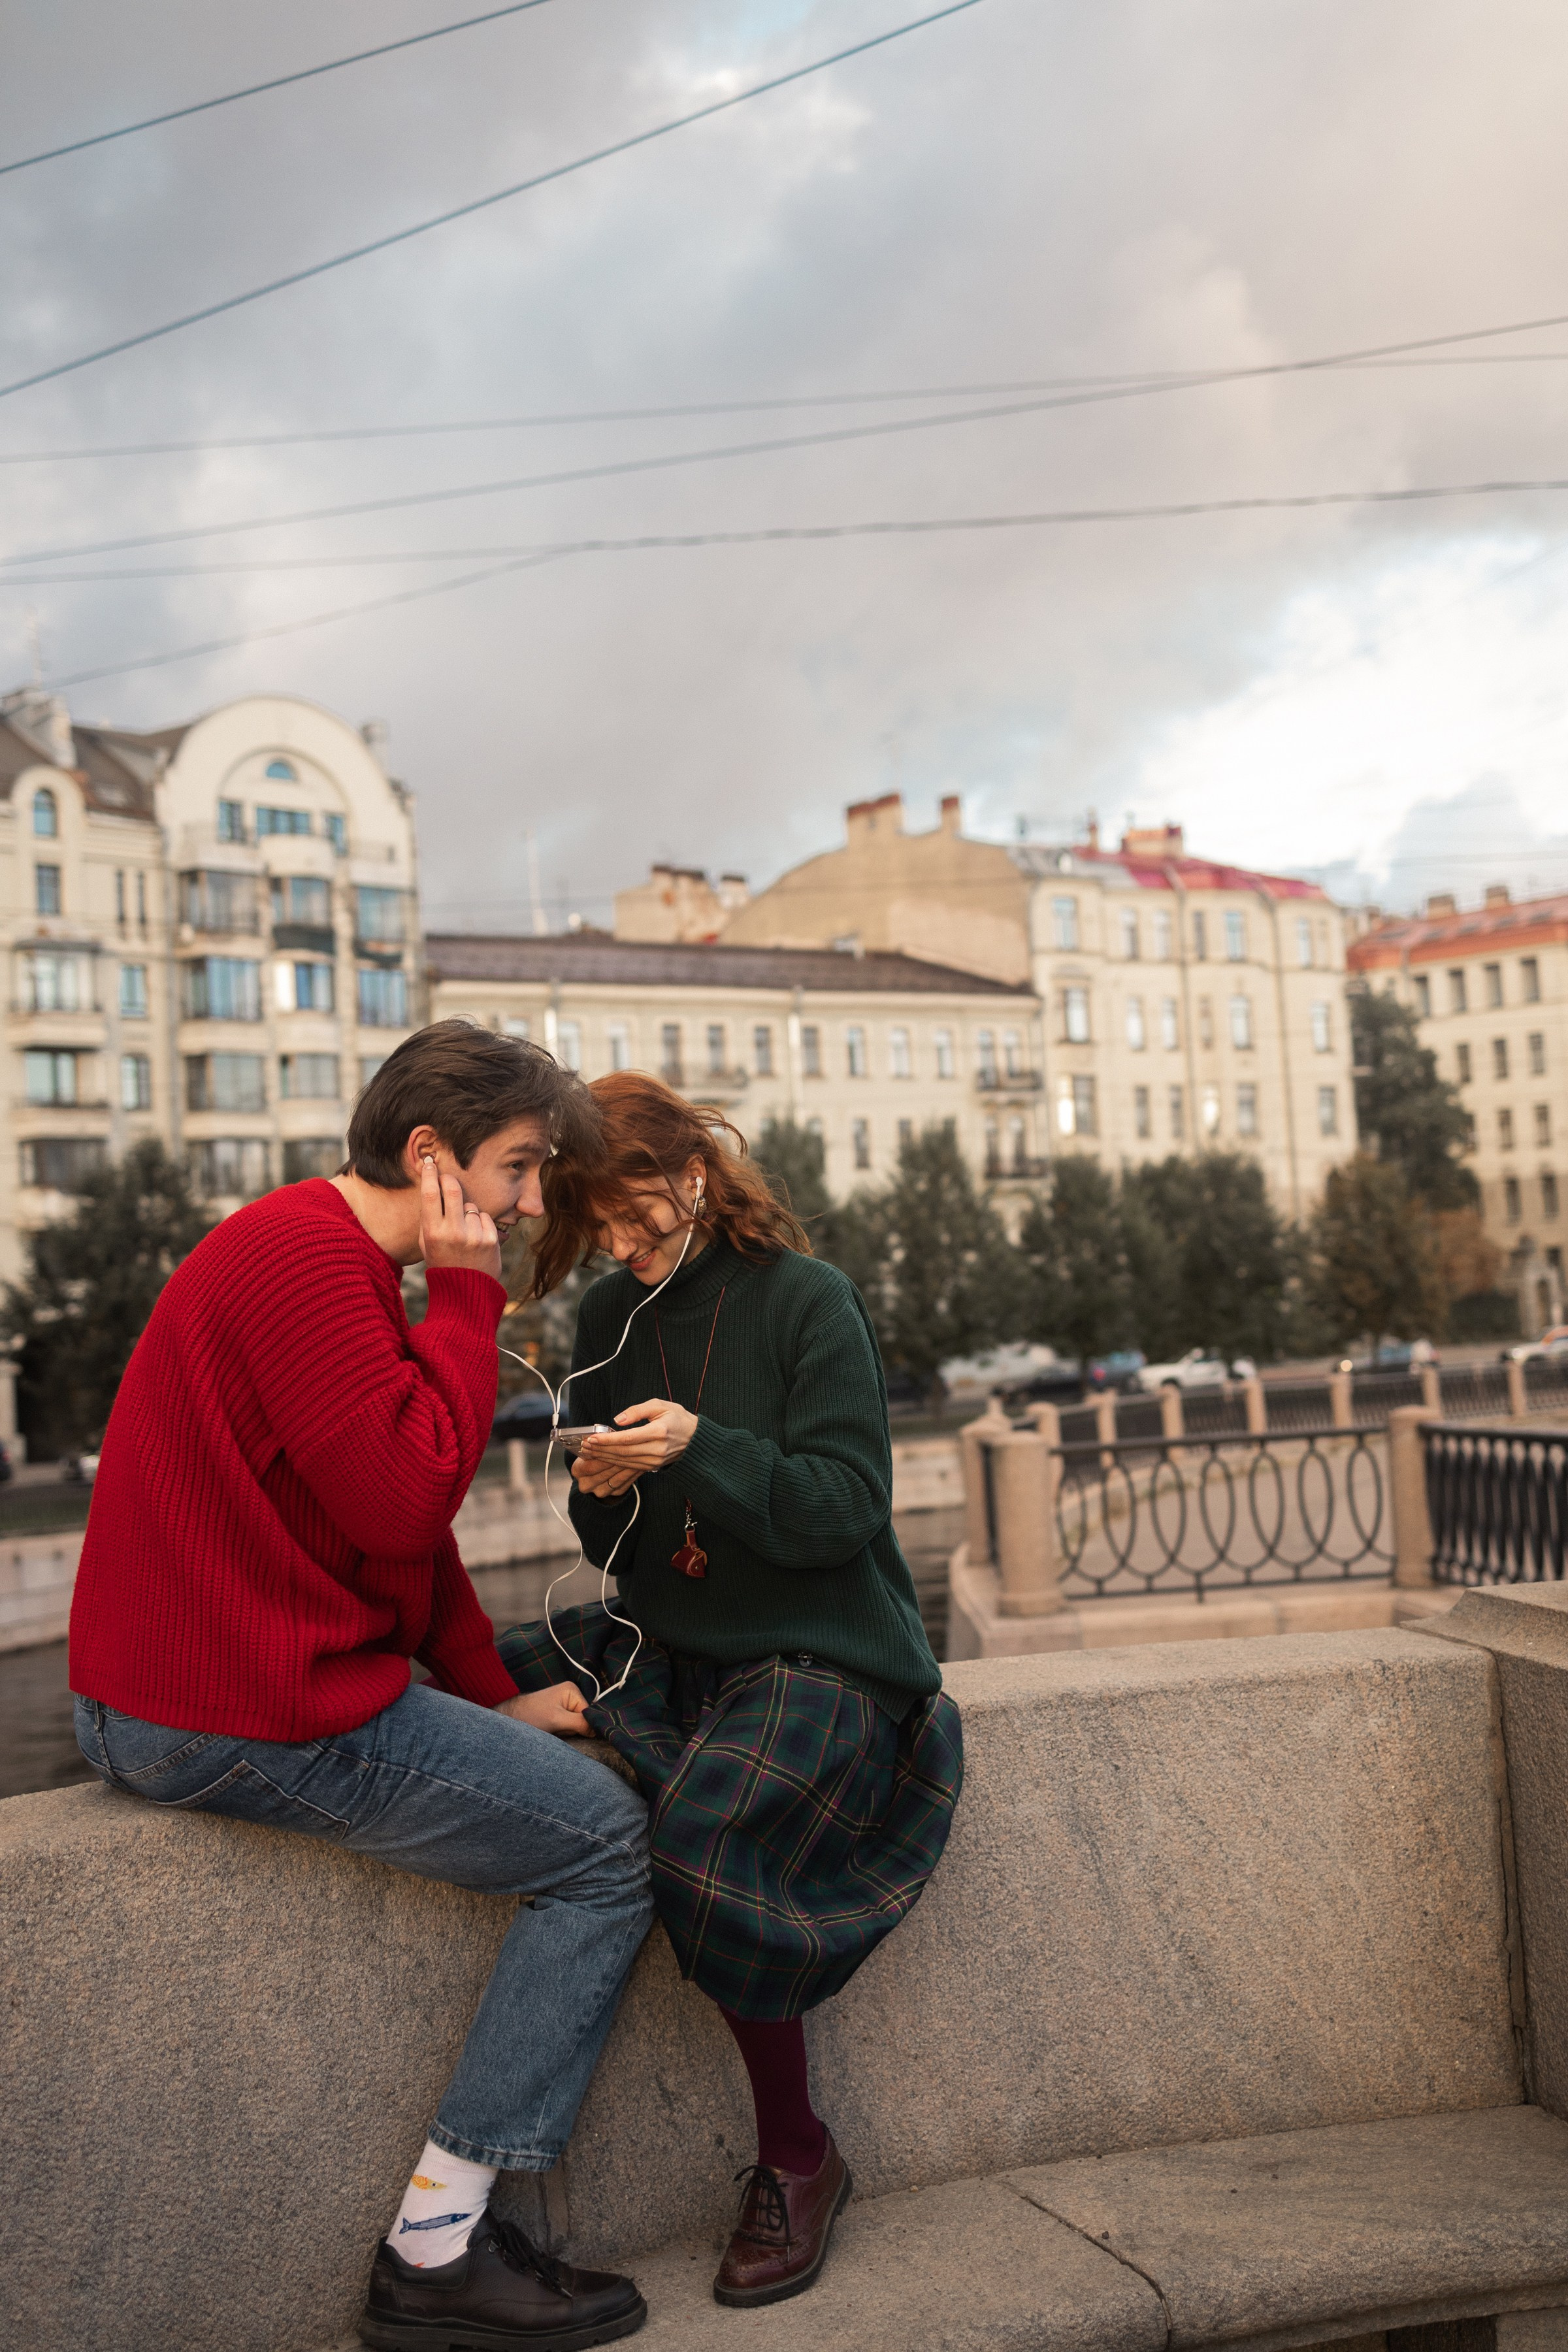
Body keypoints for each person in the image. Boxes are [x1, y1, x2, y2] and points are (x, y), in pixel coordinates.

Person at [69, 1022, 655, 2352]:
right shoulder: (309, 1265)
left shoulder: (323, 1254)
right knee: (605, 1848)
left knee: (571, 1713)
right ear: (432, 1152)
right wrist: (466, 1301)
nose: (527, 1204)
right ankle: (435, 2250)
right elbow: (405, 1502)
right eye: (517, 1167)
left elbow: (391, 1528)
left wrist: (484, 1694)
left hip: (214, 1681)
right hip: (219, 1708)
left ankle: (446, 2243)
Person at [500, 1072, 964, 2310]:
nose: (620, 1243)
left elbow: (842, 1512)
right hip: (677, 1636)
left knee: (707, 1831)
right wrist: (600, 1492)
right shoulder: (612, 1314)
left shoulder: (809, 1299)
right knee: (473, 1671)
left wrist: (702, 1447)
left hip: (823, 1647)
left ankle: (800, 2158)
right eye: (596, 1223)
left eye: (635, 1212)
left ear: (696, 1175)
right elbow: (614, 1559)